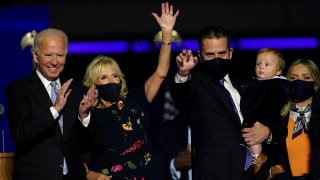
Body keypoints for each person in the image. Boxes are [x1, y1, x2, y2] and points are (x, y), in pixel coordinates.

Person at [82, 2, 179, 179]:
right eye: (103, 77)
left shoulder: (135, 99)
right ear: (93, 85)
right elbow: (79, 158)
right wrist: (91, 175)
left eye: (115, 76)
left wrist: (166, 32)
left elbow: (161, 72)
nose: (111, 81)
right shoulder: (90, 116)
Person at [5, 28, 97, 179]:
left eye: (60, 55)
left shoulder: (77, 89)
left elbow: (90, 144)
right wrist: (55, 109)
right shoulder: (19, 89)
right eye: (48, 55)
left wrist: (84, 115)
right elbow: (20, 134)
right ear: (35, 55)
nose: (55, 62)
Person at [170, 25, 254, 179]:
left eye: (221, 53)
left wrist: (266, 133)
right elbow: (181, 92)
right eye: (210, 54)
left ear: (231, 53)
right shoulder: (196, 84)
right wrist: (183, 73)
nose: (216, 59)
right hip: (215, 172)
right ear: (200, 56)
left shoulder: (246, 85)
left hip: (251, 171)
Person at [240, 48, 290, 175]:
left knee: (251, 136)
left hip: (263, 120)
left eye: (267, 64)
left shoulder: (273, 85)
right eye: (258, 64)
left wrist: (251, 118)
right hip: (268, 122)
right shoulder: (262, 83)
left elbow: (262, 103)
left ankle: (258, 157)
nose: (261, 67)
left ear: (278, 70)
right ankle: (274, 166)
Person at [277, 59, 320, 180]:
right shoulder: (277, 117)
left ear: (316, 84)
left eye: (306, 77)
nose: (299, 82)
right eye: (293, 78)